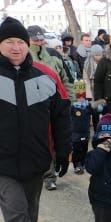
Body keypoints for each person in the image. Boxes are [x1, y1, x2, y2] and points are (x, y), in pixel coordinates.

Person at [0, 17, 71, 222]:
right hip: (2, 164)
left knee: (29, 212)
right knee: (16, 211)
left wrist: (64, 152)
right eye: (9, 42)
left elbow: (62, 116)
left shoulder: (46, 75)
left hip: (35, 160)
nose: (16, 47)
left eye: (20, 42)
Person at [28, 25, 75, 191]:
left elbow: (66, 78)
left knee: (57, 136)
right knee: (42, 138)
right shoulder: (24, 56)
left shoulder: (54, 54)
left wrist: (71, 99)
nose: (39, 42)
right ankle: (43, 173)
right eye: (35, 39)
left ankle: (51, 174)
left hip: (56, 102)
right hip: (34, 104)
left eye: (41, 38)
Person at [70, 80, 94, 174]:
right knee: (76, 150)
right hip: (75, 133)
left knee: (84, 149)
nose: (81, 99)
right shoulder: (72, 107)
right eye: (78, 97)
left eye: (82, 96)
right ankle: (77, 165)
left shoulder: (87, 106)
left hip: (85, 132)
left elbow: (94, 112)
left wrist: (98, 107)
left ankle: (83, 164)